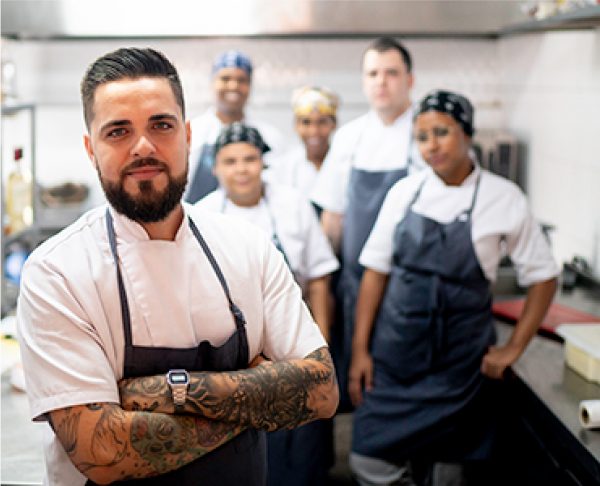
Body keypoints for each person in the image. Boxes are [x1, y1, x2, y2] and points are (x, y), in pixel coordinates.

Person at [16, 47, 338, 486]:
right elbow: (102, 450)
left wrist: (161, 394)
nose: (143, 147)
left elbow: (320, 391)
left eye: (161, 125)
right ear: (91, 150)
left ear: (187, 136)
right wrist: (253, 397)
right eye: (118, 132)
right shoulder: (56, 273)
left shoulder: (247, 246)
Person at [348, 90, 559, 485]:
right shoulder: (404, 193)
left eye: (441, 132)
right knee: (368, 460)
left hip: (459, 365)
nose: (431, 146)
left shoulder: (503, 198)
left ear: (467, 133)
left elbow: (544, 277)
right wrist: (361, 350)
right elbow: (375, 272)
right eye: (422, 137)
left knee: (448, 473)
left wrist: (515, 348)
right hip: (398, 357)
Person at [197, 121, 339, 486]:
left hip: (295, 340)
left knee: (305, 449)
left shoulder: (292, 205)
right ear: (215, 168)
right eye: (231, 161)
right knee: (247, 450)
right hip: (236, 357)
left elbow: (320, 279)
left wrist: (322, 342)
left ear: (263, 163)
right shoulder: (203, 215)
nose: (241, 169)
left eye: (249, 159)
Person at [310, 36, 424, 409]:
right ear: (363, 81)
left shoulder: (426, 135)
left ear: (409, 80)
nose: (381, 81)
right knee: (361, 383)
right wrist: (323, 283)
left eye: (391, 73)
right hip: (356, 285)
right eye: (373, 73)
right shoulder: (349, 138)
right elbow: (333, 218)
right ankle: (371, 463)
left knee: (403, 382)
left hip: (409, 287)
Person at [185, 49, 288, 203]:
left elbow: (280, 190)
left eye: (241, 80)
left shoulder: (270, 137)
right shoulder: (192, 131)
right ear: (213, 82)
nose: (233, 85)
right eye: (225, 78)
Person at [267, 86, 339, 202]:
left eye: (322, 122)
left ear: (334, 124)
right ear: (296, 125)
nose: (314, 131)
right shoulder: (282, 168)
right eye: (306, 122)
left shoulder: (344, 162)